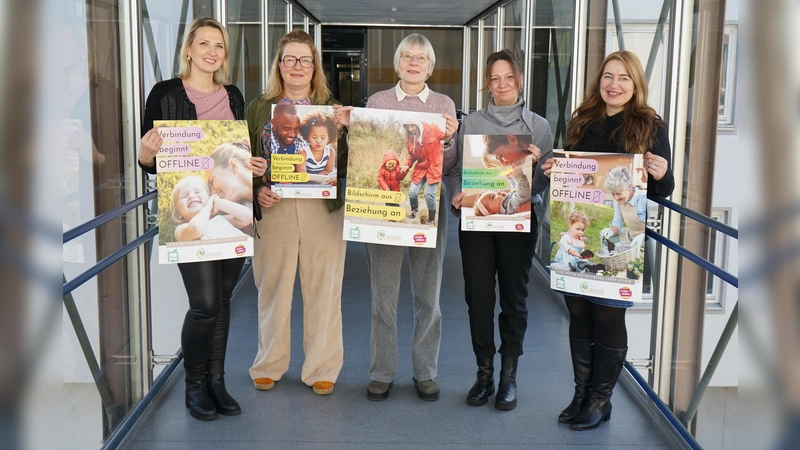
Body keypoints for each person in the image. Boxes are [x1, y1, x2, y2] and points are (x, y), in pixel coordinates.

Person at [136, 17, 267, 421]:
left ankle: (216, 381)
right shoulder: (165, 93)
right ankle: (194, 385)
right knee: (205, 303)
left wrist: (254, 167)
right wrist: (144, 153)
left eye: (219, 46)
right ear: (188, 50)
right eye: (204, 44)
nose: (212, 52)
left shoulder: (233, 95)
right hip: (191, 213)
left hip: (227, 219)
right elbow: (152, 164)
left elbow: (235, 157)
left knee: (224, 299)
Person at [541, 50, 674, 430]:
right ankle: (582, 393)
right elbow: (573, 176)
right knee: (579, 313)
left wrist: (661, 172)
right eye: (608, 77)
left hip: (624, 238)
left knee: (607, 315)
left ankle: (601, 400)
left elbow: (663, 189)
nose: (614, 85)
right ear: (599, 81)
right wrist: (555, 170)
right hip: (583, 233)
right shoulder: (582, 120)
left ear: (635, 85)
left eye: (624, 79)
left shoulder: (651, 125)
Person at [337, 33, 459, 402]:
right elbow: (361, 154)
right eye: (407, 55)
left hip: (427, 210)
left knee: (428, 297)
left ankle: (425, 372)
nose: (413, 62)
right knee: (383, 297)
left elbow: (449, 165)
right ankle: (382, 371)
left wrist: (449, 142)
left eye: (421, 57)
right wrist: (347, 131)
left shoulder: (444, 104)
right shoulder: (378, 101)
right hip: (386, 211)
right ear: (397, 62)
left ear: (430, 66)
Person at [245, 30, 349, 397]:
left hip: (324, 210)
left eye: (305, 60)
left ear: (315, 66)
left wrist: (349, 130)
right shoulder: (259, 107)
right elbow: (244, 161)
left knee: (324, 288)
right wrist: (257, 187)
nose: (297, 66)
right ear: (279, 65)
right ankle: (269, 363)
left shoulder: (333, 109)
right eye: (289, 59)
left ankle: (321, 366)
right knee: (272, 287)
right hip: (276, 210)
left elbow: (350, 165)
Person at [449, 49, 552, 411]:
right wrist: (457, 195)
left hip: (519, 224)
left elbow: (539, 187)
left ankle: (509, 375)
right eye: (495, 78)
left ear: (519, 79)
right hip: (476, 220)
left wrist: (537, 168)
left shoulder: (538, 126)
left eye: (509, 77)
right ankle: (484, 372)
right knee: (478, 298)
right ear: (487, 83)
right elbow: (458, 171)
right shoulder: (472, 123)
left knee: (513, 298)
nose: (502, 84)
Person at [169, 176, 251, 241]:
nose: (191, 196)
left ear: (209, 197)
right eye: (184, 196)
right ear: (179, 214)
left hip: (242, 255)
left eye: (197, 192)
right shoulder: (182, 229)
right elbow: (197, 228)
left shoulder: (221, 219)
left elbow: (247, 217)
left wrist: (219, 203)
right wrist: (208, 207)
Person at [401, 119, 446, 224]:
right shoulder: (409, 139)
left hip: (435, 166)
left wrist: (450, 139)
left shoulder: (433, 129)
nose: (410, 129)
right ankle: (414, 215)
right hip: (421, 167)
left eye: (412, 126)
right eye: (407, 127)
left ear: (417, 124)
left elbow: (447, 138)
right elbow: (411, 156)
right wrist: (407, 165)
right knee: (412, 192)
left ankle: (431, 220)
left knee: (429, 194)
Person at [600, 166, 647, 257]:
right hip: (630, 238)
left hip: (646, 241)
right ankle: (609, 264)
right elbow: (617, 223)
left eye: (618, 194)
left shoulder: (643, 199)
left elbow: (655, 228)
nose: (616, 197)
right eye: (613, 194)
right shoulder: (619, 202)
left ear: (629, 187)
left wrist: (644, 236)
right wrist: (611, 231)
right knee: (607, 238)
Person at [298, 110, 337, 175]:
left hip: (323, 180)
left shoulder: (330, 152)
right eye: (314, 137)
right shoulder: (303, 152)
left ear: (329, 138)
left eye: (323, 138)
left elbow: (329, 170)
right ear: (308, 137)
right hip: (307, 182)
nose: (318, 141)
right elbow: (301, 172)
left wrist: (318, 178)